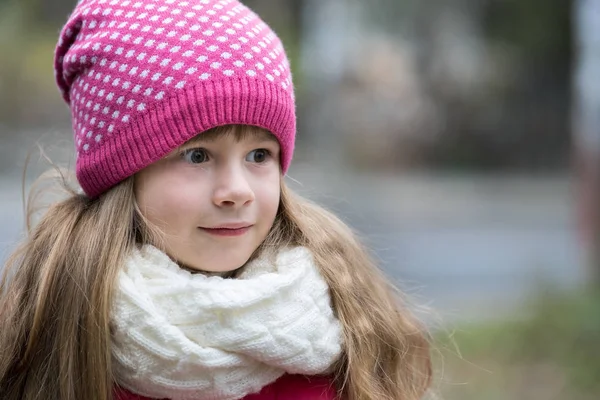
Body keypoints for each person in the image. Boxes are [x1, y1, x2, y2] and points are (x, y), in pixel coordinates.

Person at [0, 0, 432, 399]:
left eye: (259, 155)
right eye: (197, 155)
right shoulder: (55, 333)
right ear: (122, 174)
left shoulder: (339, 322)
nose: (238, 190)